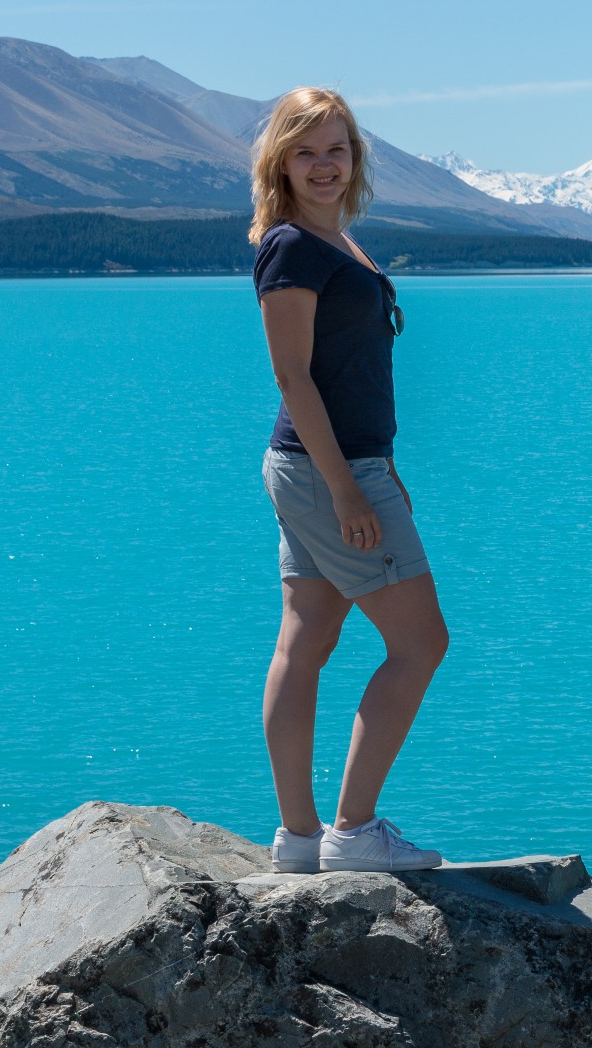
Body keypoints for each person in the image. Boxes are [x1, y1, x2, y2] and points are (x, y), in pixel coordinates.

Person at [250, 87, 449, 874]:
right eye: (307, 151)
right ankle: (353, 833)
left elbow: (353, 372)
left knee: (307, 640)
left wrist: (383, 464)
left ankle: (299, 843)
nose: (324, 164)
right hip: (324, 468)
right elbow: (293, 377)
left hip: (330, 463)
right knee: (421, 642)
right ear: (281, 162)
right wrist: (347, 488)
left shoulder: (338, 242)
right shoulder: (293, 247)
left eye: (336, 149)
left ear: (355, 156)